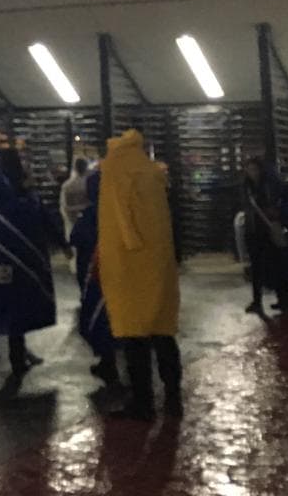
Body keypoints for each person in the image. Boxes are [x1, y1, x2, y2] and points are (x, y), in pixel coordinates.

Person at [99, 129, 182, 421]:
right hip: (158, 261)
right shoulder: (150, 171)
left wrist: (126, 246)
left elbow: (121, 217)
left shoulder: (115, 169)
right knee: (163, 333)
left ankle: (143, 403)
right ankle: (174, 399)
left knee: (134, 337)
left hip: (128, 264)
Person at [0, 161, 56, 380]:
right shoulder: (15, 207)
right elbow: (37, 221)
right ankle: (17, 362)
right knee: (14, 314)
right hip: (10, 268)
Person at [69, 168, 119, 386]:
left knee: (99, 320)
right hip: (118, 276)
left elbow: (76, 238)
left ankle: (108, 364)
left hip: (97, 275)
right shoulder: (120, 213)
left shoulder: (90, 215)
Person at [241, 157, 288, 316]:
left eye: (255, 169)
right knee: (257, 268)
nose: (252, 173)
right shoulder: (248, 186)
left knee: (276, 266)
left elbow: (282, 201)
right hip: (254, 232)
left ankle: (284, 299)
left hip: (268, 232)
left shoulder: (270, 186)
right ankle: (257, 301)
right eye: (249, 169)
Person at [59, 158, 91, 269]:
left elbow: (64, 206)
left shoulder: (67, 186)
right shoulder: (89, 184)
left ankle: (76, 266)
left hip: (72, 220)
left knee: (75, 246)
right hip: (88, 221)